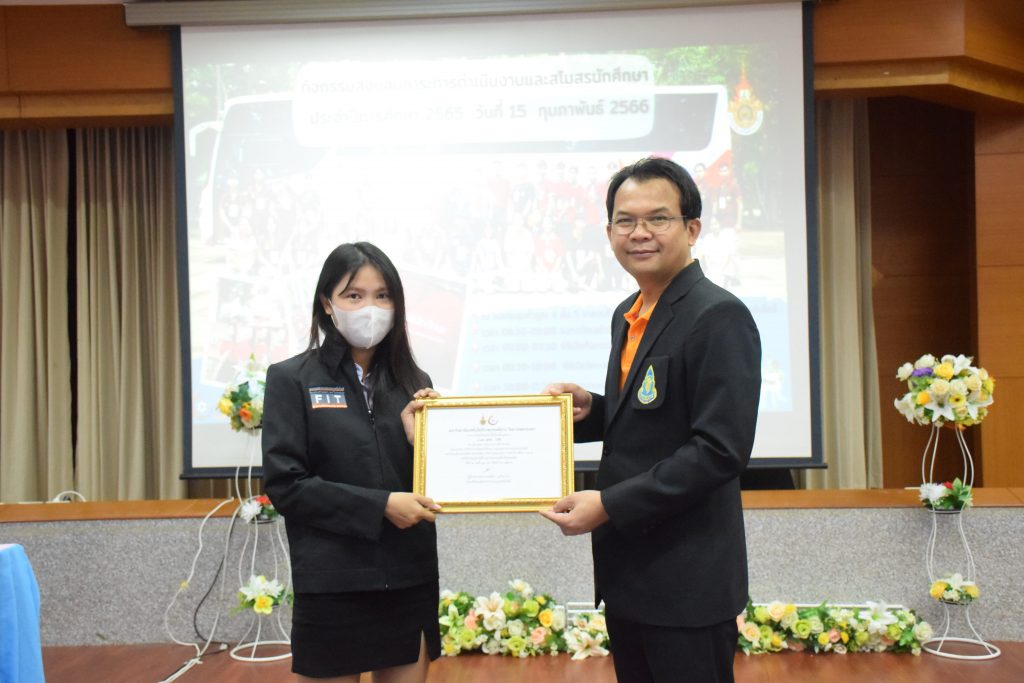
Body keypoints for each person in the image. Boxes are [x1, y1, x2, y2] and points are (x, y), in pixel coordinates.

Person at [541, 157, 761, 683]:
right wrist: (592, 410)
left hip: (687, 582)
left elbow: (719, 450)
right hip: (630, 576)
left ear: (692, 228)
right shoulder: (629, 312)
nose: (639, 233)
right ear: (609, 232)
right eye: (625, 220)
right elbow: (650, 417)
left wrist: (608, 505)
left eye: (657, 218)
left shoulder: (718, 315)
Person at [262, 242, 442, 682]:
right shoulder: (291, 378)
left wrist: (422, 445)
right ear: (327, 303)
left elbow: (433, 486)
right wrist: (380, 506)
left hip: (407, 577)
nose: (370, 308)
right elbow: (287, 485)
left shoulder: (415, 383)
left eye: (382, 296)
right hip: (333, 582)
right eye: (354, 296)